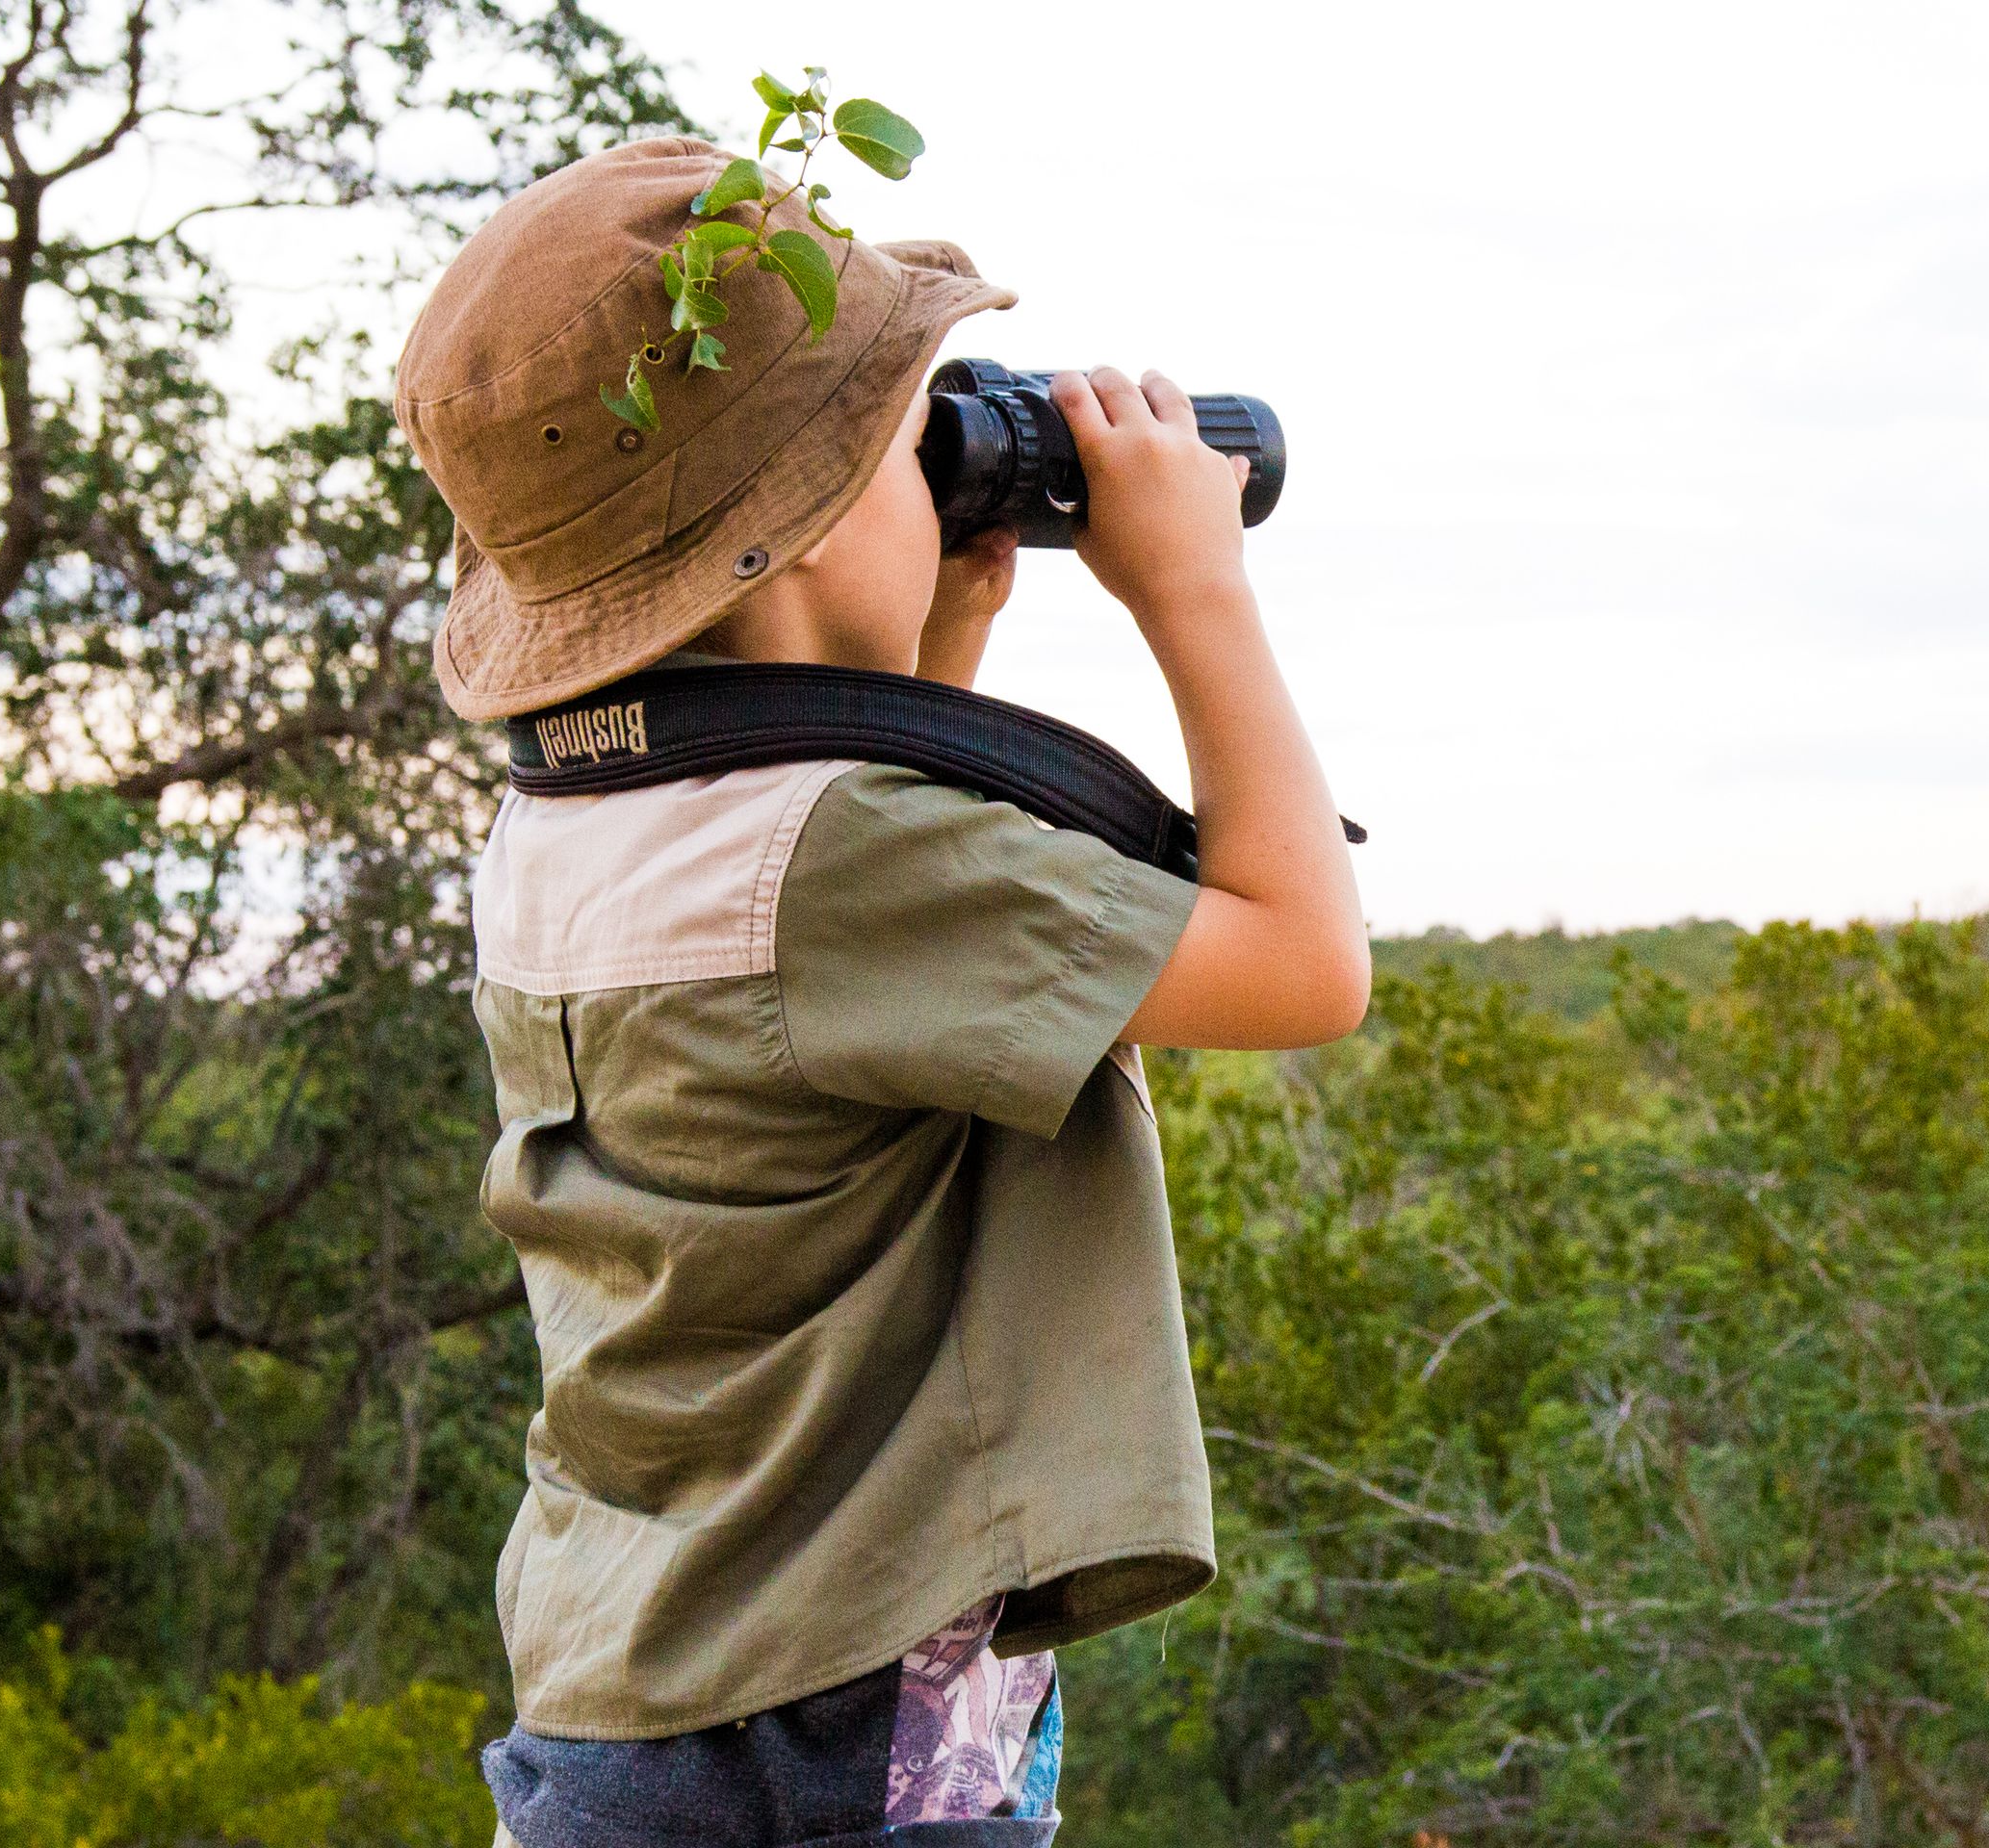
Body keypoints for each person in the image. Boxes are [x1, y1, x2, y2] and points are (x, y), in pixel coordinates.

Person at [389, 136, 1368, 1846]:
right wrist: (1194, 591)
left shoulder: (565, 827)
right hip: (844, 1743)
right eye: (907, 443)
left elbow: (829, 997)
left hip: (637, 1695)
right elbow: (1302, 960)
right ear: (817, 527)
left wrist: (933, 660)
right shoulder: (845, 865)